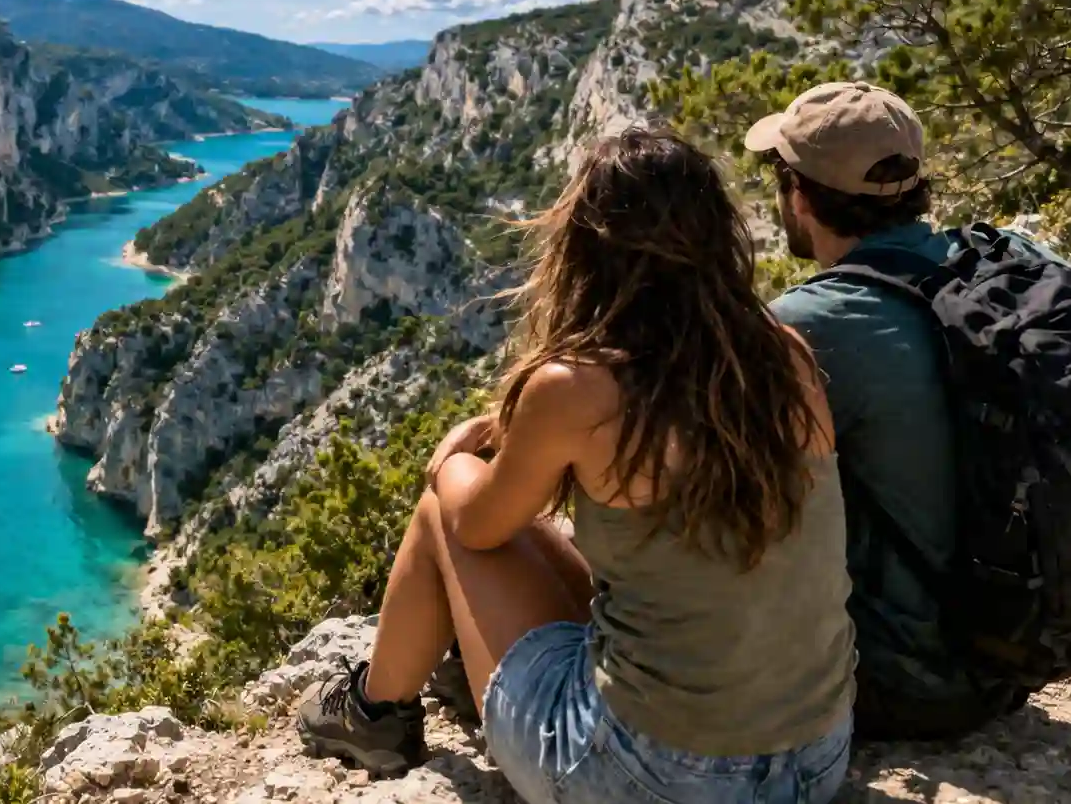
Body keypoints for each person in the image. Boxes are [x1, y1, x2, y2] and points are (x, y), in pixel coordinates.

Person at [296, 128, 857, 804]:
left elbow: (475, 528)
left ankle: (373, 711)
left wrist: (448, 459)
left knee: (446, 511)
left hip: (655, 779)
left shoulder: (576, 388)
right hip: (816, 757)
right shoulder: (783, 355)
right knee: (534, 535)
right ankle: (412, 689)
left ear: (588, 250)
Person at [744, 81, 1058, 740]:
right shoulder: (1019, 263)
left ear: (798, 196)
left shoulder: (804, 328)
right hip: (1022, 653)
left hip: (900, 680)